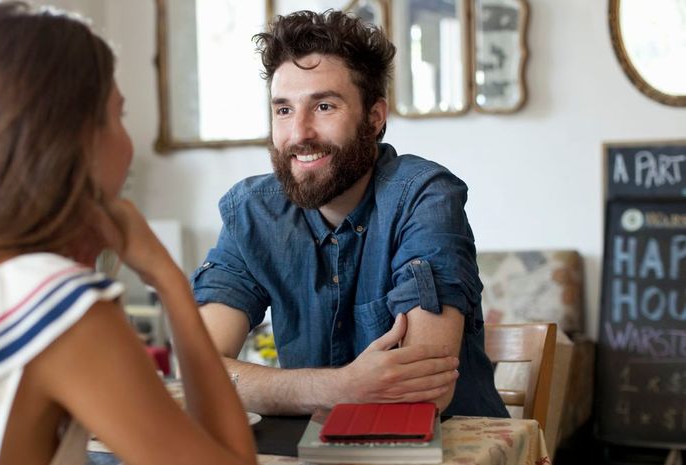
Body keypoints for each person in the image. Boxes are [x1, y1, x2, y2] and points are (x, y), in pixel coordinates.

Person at [0, 3, 257, 465]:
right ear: (75, 139)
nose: (127, 145)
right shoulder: (54, 303)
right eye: (119, 116)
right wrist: (168, 280)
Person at [193, 10, 508, 418]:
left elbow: (422, 395)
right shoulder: (252, 212)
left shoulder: (423, 197)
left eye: (324, 106)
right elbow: (199, 373)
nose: (299, 133)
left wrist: (275, 388)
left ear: (374, 117)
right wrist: (341, 386)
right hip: (314, 452)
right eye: (283, 110)